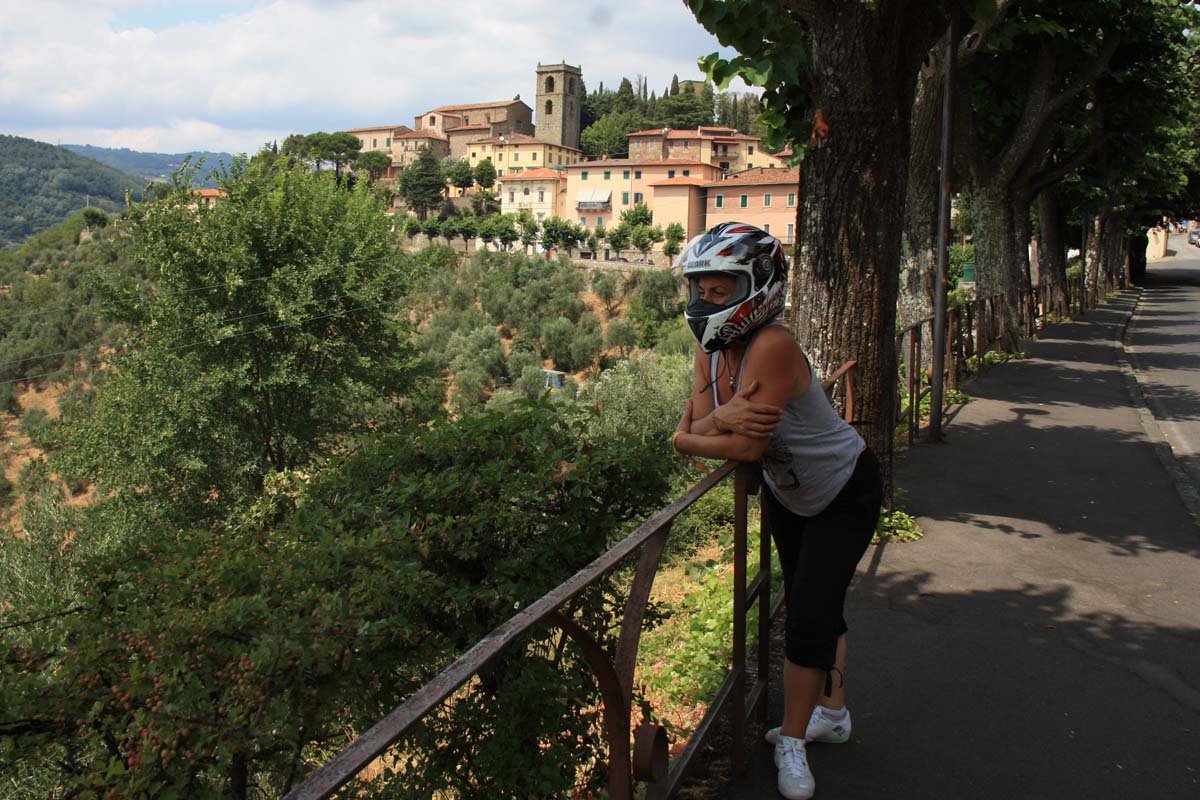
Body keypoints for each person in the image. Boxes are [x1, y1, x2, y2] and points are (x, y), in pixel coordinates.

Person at [669, 223, 883, 800]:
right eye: (701, 290)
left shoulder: (773, 345)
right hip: (790, 493)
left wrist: (688, 437)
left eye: (719, 291)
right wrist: (714, 423)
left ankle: (793, 739)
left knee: (808, 613)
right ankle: (831, 713)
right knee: (817, 600)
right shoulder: (712, 352)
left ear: (757, 289)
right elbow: (713, 427)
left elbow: (739, 446)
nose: (706, 301)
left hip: (844, 489)